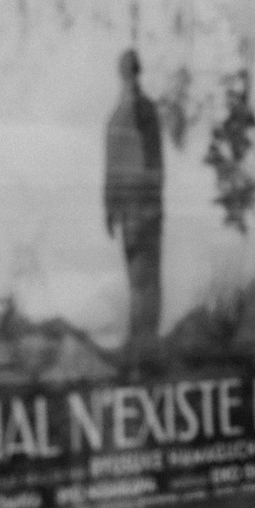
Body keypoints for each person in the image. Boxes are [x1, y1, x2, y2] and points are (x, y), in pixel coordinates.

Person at [104, 48, 165, 353]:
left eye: (131, 70)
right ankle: (140, 339)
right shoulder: (121, 115)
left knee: (146, 277)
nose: (129, 76)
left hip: (142, 211)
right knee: (138, 278)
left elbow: (154, 162)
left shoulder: (142, 112)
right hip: (133, 212)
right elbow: (112, 164)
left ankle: (146, 340)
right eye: (127, 70)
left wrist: (147, 205)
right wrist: (110, 208)